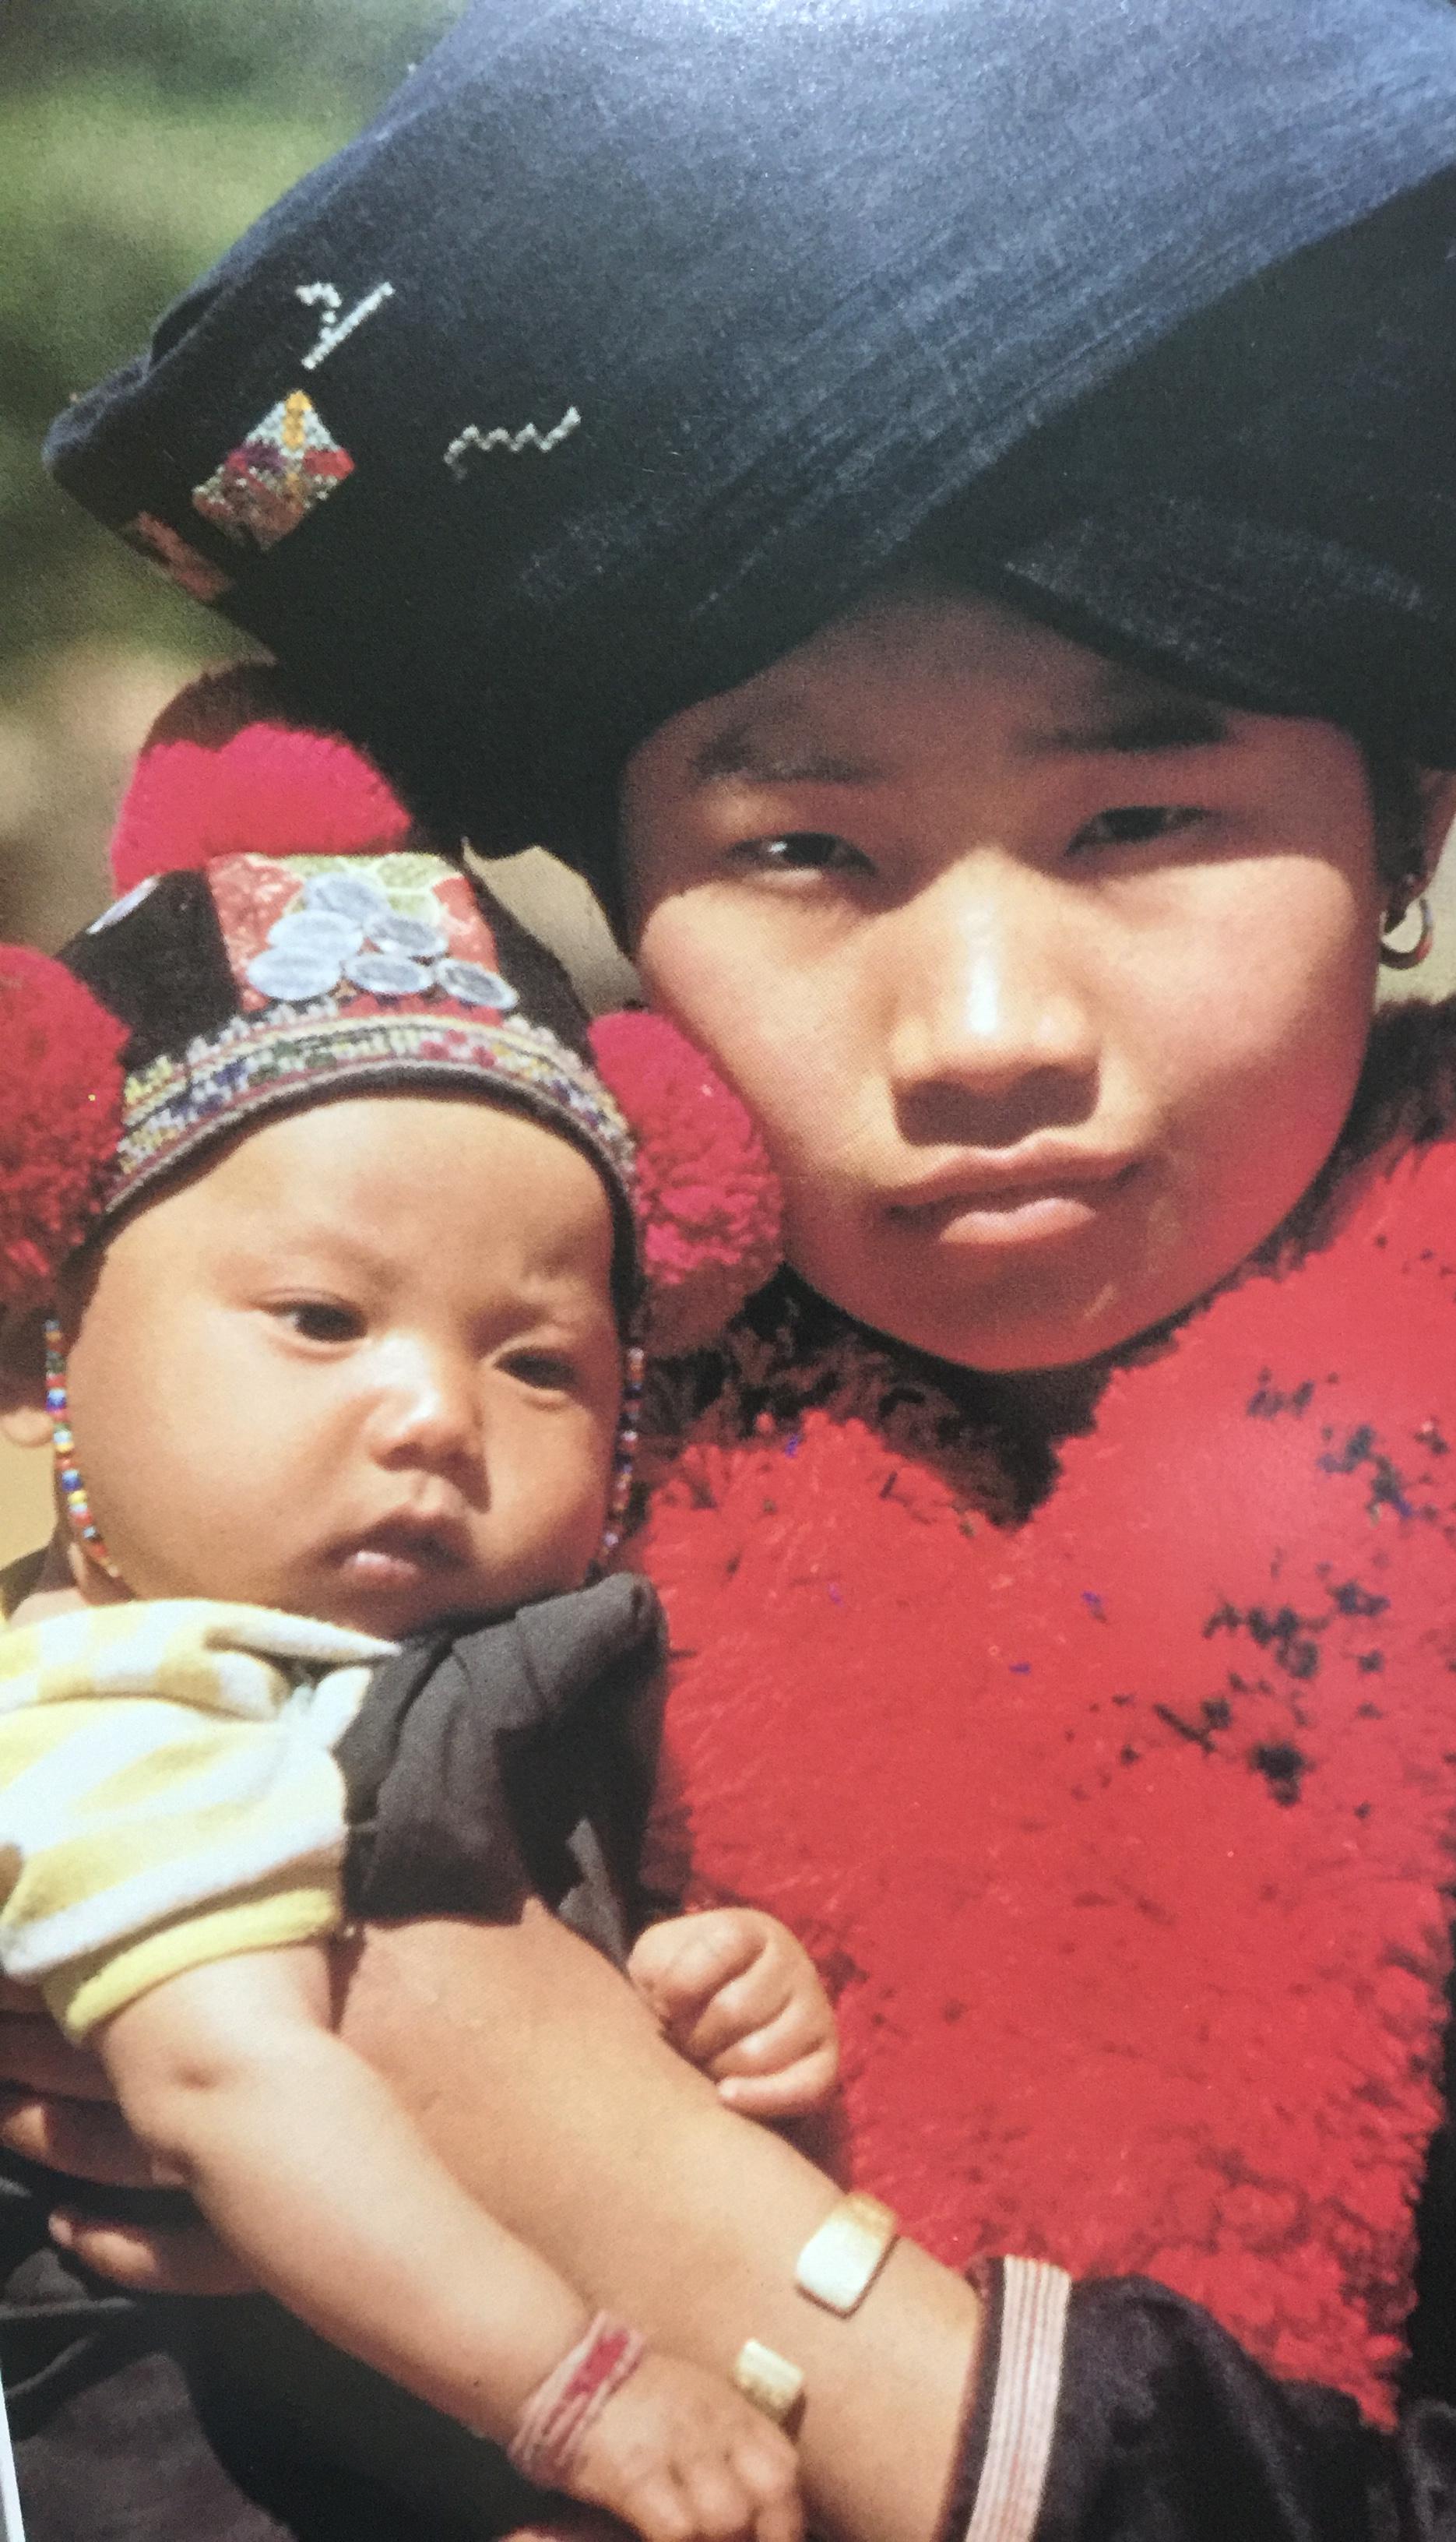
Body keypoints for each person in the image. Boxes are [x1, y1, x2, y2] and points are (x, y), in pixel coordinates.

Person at [12, 0, 1456, 2536]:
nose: (986, 1030)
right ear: (621, 907)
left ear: (1404, 820)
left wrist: (664, 2215)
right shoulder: (427, 1478)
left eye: (1138, 814)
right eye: (802, 851)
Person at [0, 667, 828, 2542]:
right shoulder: (125, 1716)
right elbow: (233, 2089)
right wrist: (582, 2395)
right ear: (63, 1344)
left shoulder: (471, 1666)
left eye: (540, 1365)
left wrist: (718, 2003)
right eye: (319, 1321)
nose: (436, 1416)